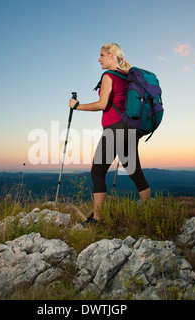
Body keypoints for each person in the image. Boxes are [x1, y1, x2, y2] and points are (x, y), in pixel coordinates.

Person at [69, 43, 151, 224]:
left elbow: (102, 104)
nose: (99, 59)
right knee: (135, 173)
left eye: (102, 55)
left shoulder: (108, 75)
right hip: (130, 129)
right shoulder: (126, 76)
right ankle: (147, 214)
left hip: (114, 128)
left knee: (97, 172)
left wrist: (77, 106)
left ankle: (98, 219)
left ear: (112, 56)